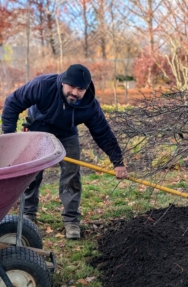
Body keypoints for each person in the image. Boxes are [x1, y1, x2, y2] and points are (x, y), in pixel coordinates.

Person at [1, 64, 128, 239]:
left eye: (80, 89)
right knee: (31, 174)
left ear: (87, 89)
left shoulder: (90, 105)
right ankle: (28, 213)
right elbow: (12, 103)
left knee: (71, 175)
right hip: (37, 131)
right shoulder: (43, 85)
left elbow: (103, 133)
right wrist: (9, 136)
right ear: (63, 83)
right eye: (71, 87)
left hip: (67, 134)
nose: (75, 93)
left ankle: (71, 220)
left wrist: (118, 162)